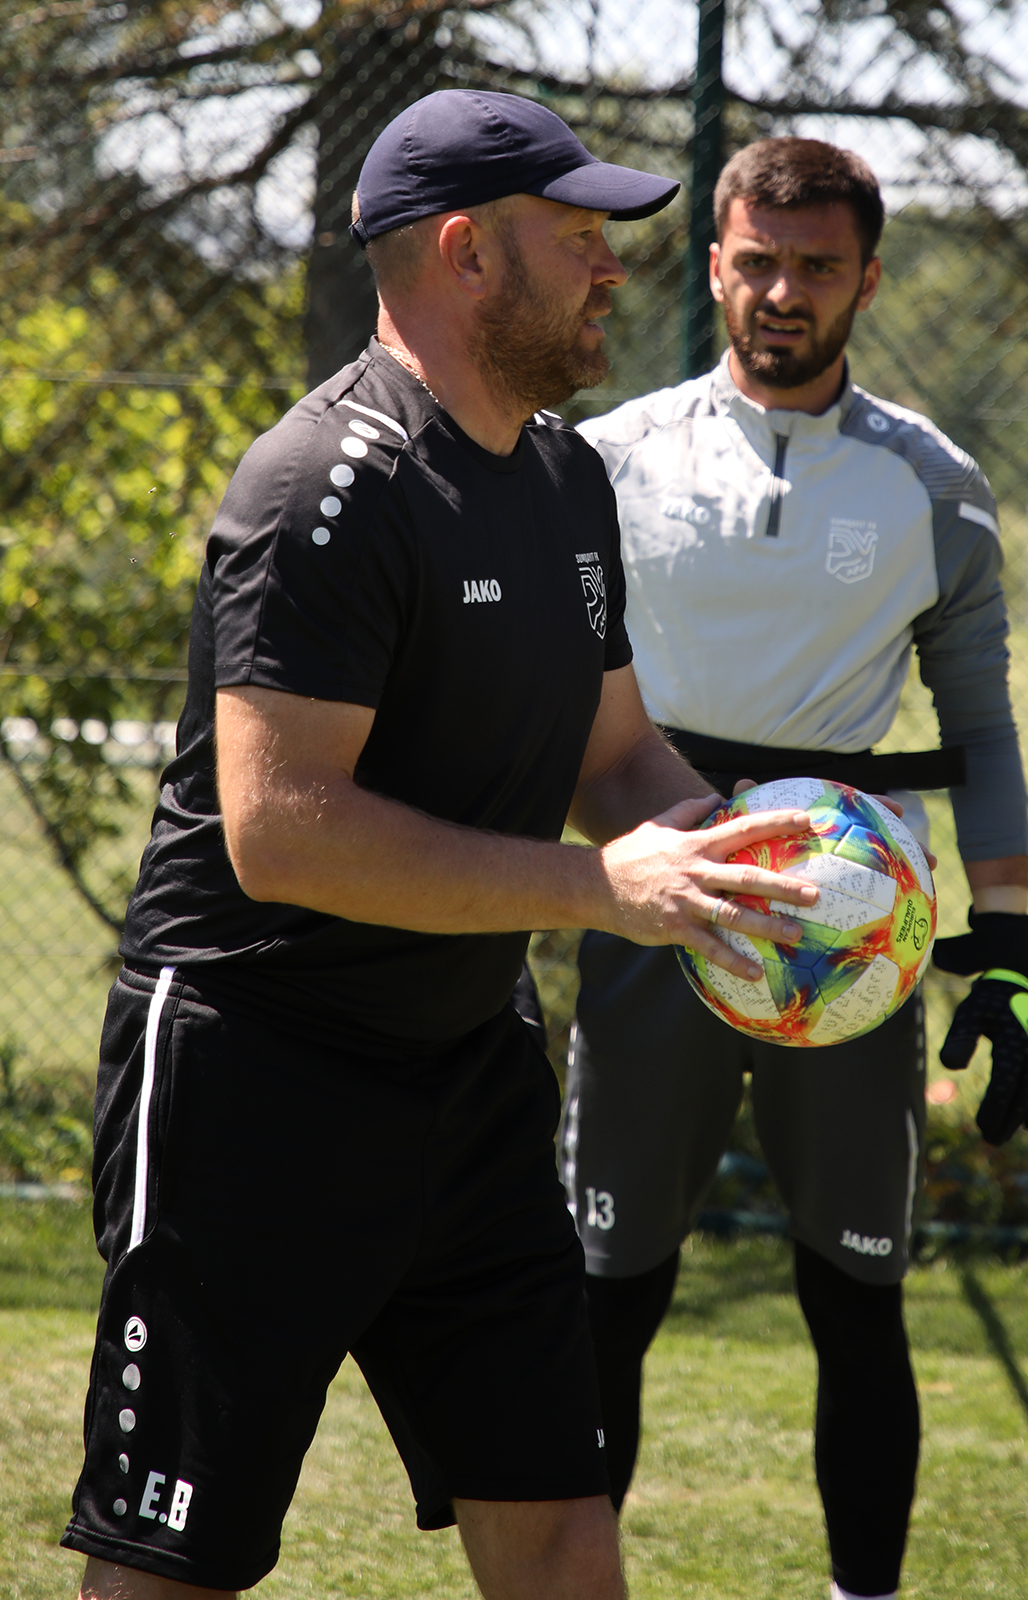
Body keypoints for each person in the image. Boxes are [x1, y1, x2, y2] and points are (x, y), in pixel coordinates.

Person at [59, 92, 829, 1600]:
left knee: (556, 1521)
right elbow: (283, 833)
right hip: (253, 1088)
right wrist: (603, 893)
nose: (614, 269)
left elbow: (616, 755)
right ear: (470, 253)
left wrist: (750, 861)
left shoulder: (565, 482)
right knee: (172, 1565)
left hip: (469, 1080)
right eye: (580, 236)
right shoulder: (321, 490)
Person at [558, 137, 1028, 1600]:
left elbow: (984, 730)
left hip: (853, 945)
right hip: (653, 914)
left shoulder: (933, 490)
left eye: (817, 267)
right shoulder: (604, 462)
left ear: (867, 280)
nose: (783, 292)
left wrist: (1008, 950)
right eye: (756, 262)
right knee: (606, 1301)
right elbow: (536, 696)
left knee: (857, 1294)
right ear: (713, 263)